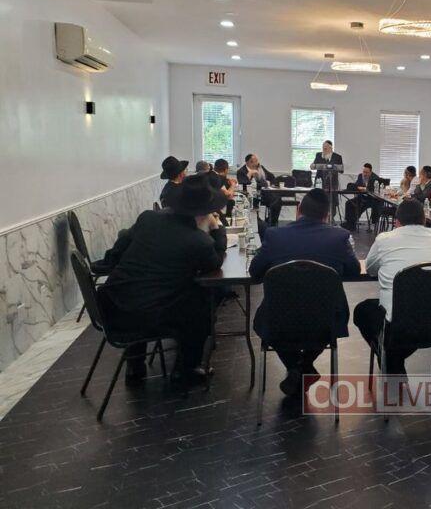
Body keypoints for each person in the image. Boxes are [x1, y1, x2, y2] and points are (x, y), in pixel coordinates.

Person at [99, 174, 227, 385]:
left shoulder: (148, 218)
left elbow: (118, 251)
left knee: (142, 290)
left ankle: (135, 365)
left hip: (110, 307)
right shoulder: (199, 241)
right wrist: (217, 229)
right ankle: (186, 369)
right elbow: (214, 263)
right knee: (203, 303)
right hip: (147, 316)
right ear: (203, 214)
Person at [250, 188, 359, 396]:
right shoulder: (339, 237)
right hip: (326, 319)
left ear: (298, 210)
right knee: (323, 321)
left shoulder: (274, 235)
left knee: (269, 320)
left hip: (279, 318)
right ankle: (305, 366)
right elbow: (354, 270)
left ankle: (295, 368)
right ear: (327, 215)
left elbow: (255, 271)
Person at [354, 199, 431, 374]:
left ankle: (390, 360)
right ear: (424, 220)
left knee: (363, 311)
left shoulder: (385, 239)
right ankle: (393, 361)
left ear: (396, 222)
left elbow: (370, 269)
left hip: (399, 327)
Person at [237, 153, 283, 227]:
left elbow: (271, 176)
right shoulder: (241, 171)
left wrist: (268, 181)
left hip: (264, 193)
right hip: (251, 194)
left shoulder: (260, 168)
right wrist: (250, 174)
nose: (257, 163)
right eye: (255, 161)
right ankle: (257, 222)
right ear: (249, 162)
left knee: (277, 199)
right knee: (255, 198)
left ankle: (272, 222)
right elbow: (244, 184)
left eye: (257, 161)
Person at [343, 163, 382, 230]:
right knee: (349, 203)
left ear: (371, 172)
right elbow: (356, 185)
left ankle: (354, 223)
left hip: (371, 199)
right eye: (364, 172)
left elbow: (376, 190)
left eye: (367, 172)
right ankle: (349, 223)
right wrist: (359, 187)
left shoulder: (375, 178)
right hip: (361, 197)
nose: (364, 174)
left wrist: (364, 188)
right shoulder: (360, 176)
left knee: (361, 205)